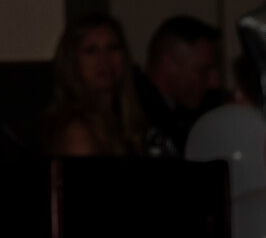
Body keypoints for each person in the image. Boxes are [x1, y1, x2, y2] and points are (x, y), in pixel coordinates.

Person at [42, 14, 149, 155]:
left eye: (112, 48)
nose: (104, 60)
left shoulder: (128, 119)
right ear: (73, 62)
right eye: (91, 51)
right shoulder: (77, 131)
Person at [135, 15, 227, 156]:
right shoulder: (135, 117)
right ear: (169, 63)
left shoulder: (184, 115)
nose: (214, 83)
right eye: (202, 71)